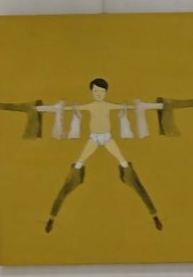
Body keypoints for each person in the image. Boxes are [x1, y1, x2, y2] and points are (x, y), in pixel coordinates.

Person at [44, 78, 162, 232]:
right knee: (76, 168)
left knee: (126, 165)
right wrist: (61, 108)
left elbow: (123, 107)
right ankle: (52, 217)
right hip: (93, 138)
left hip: (107, 138)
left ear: (106, 92)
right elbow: (74, 108)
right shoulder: (91, 106)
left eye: (101, 91)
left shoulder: (107, 105)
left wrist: (134, 106)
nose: (98, 94)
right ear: (91, 92)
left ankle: (154, 215)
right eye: (95, 91)